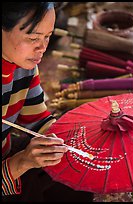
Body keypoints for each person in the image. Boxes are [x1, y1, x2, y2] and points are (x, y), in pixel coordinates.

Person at [2, 2, 94, 202]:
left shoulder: (22, 62)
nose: (42, 48)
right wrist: (21, 163)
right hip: (8, 170)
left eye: (48, 36)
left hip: (7, 152)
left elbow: (37, 118)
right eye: (33, 38)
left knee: (76, 181)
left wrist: (67, 141)